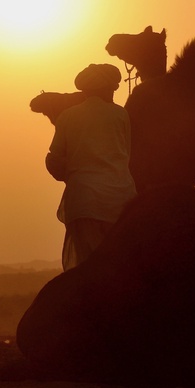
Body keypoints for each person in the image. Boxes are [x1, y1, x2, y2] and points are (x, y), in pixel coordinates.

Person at [46, 63, 137, 270]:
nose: (114, 93)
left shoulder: (67, 117)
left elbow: (55, 159)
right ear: (107, 89)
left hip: (84, 203)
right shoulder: (121, 115)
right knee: (120, 267)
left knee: (87, 269)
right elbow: (126, 157)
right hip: (121, 202)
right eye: (113, 88)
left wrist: (70, 174)